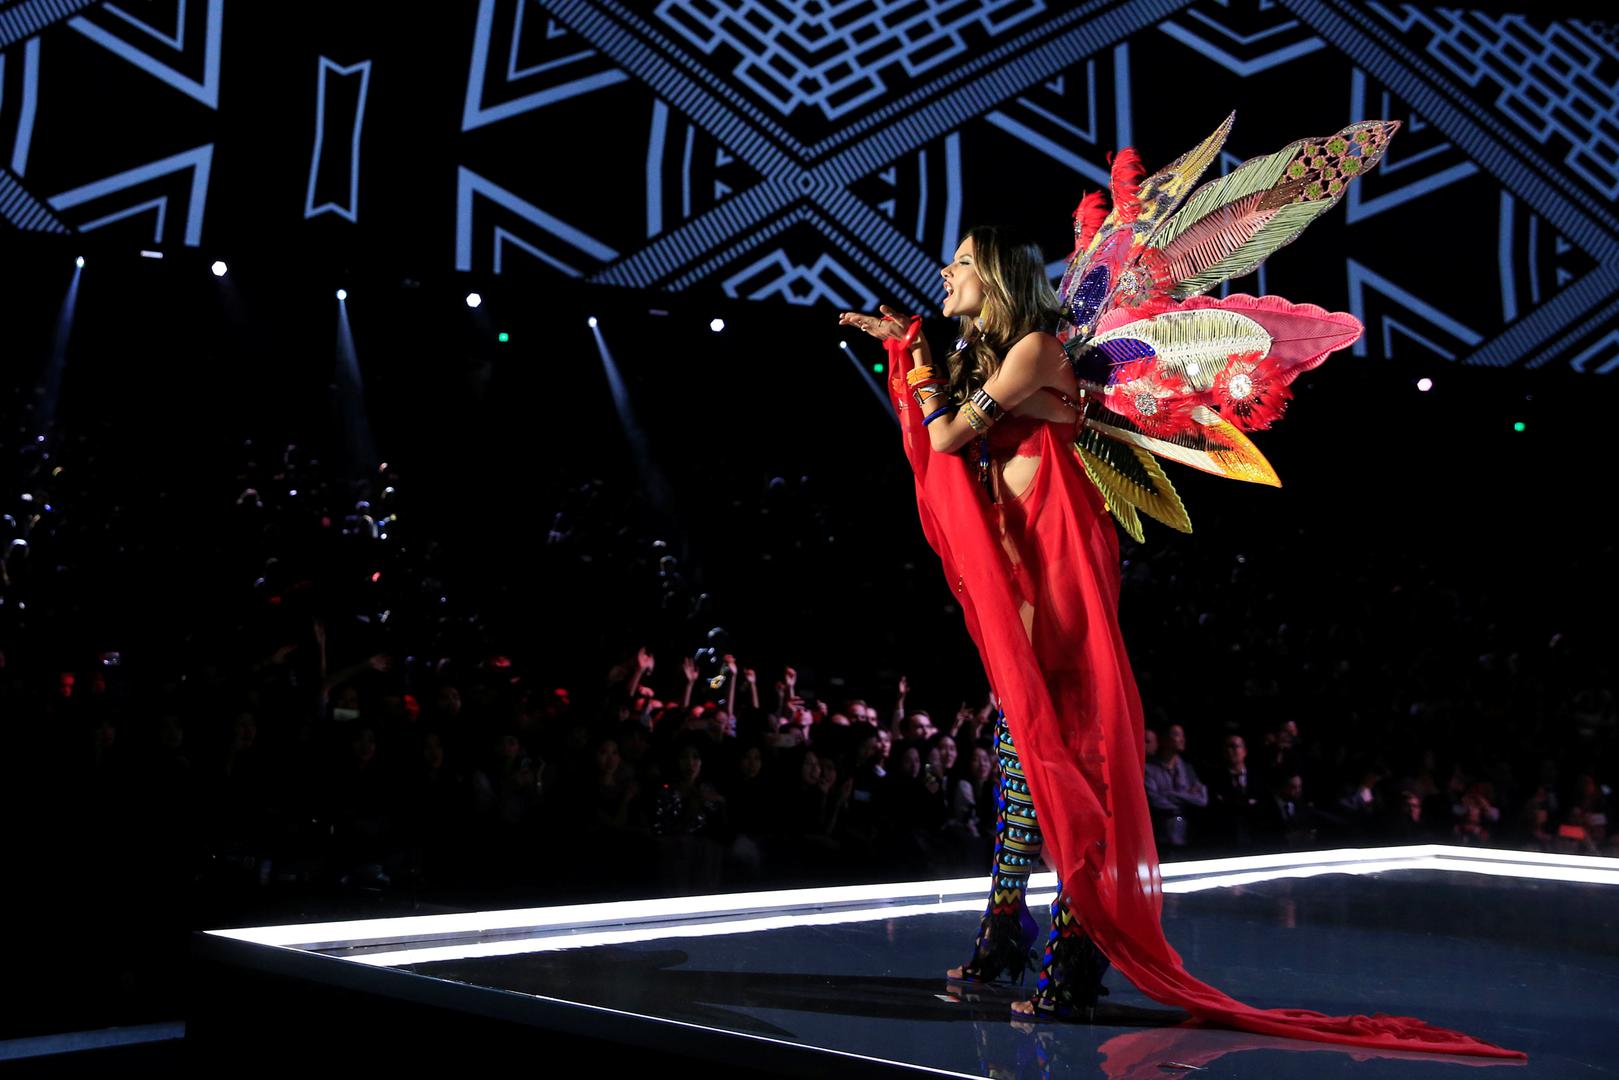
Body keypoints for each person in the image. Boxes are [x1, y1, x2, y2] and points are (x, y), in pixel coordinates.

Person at [838, 115, 1521, 1058]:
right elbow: (954, 424)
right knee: (1019, 769)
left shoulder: (1035, 349)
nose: (945, 275)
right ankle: (1005, 938)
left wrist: (915, 365)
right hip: (1023, 581)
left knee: (1063, 771)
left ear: (993, 276)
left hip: (1060, 582)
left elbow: (950, 437)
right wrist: (911, 349)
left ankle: (1073, 960)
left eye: (959, 264)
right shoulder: (1003, 359)